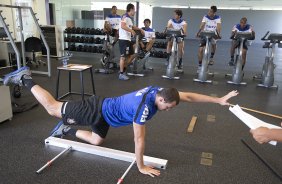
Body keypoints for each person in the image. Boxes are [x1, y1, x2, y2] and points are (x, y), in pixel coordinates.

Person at [3, 66, 238, 177]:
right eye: (167, 107)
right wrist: (141, 166)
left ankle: (67, 128)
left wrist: (218, 101)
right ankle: (25, 78)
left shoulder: (160, 91)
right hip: (95, 110)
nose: (167, 110)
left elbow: (188, 96)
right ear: (160, 99)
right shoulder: (144, 108)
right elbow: (139, 138)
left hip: (106, 115)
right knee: (53, 108)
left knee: (96, 141)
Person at [118, 3, 145, 81]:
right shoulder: (125, 16)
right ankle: (121, 74)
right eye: (134, 10)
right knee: (123, 57)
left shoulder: (129, 18)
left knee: (132, 55)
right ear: (131, 9)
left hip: (128, 40)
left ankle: (123, 69)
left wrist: (140, 29)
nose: (135, 12)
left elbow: (132, 26)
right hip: (124, 40)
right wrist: (131, 31)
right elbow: (123, 26)